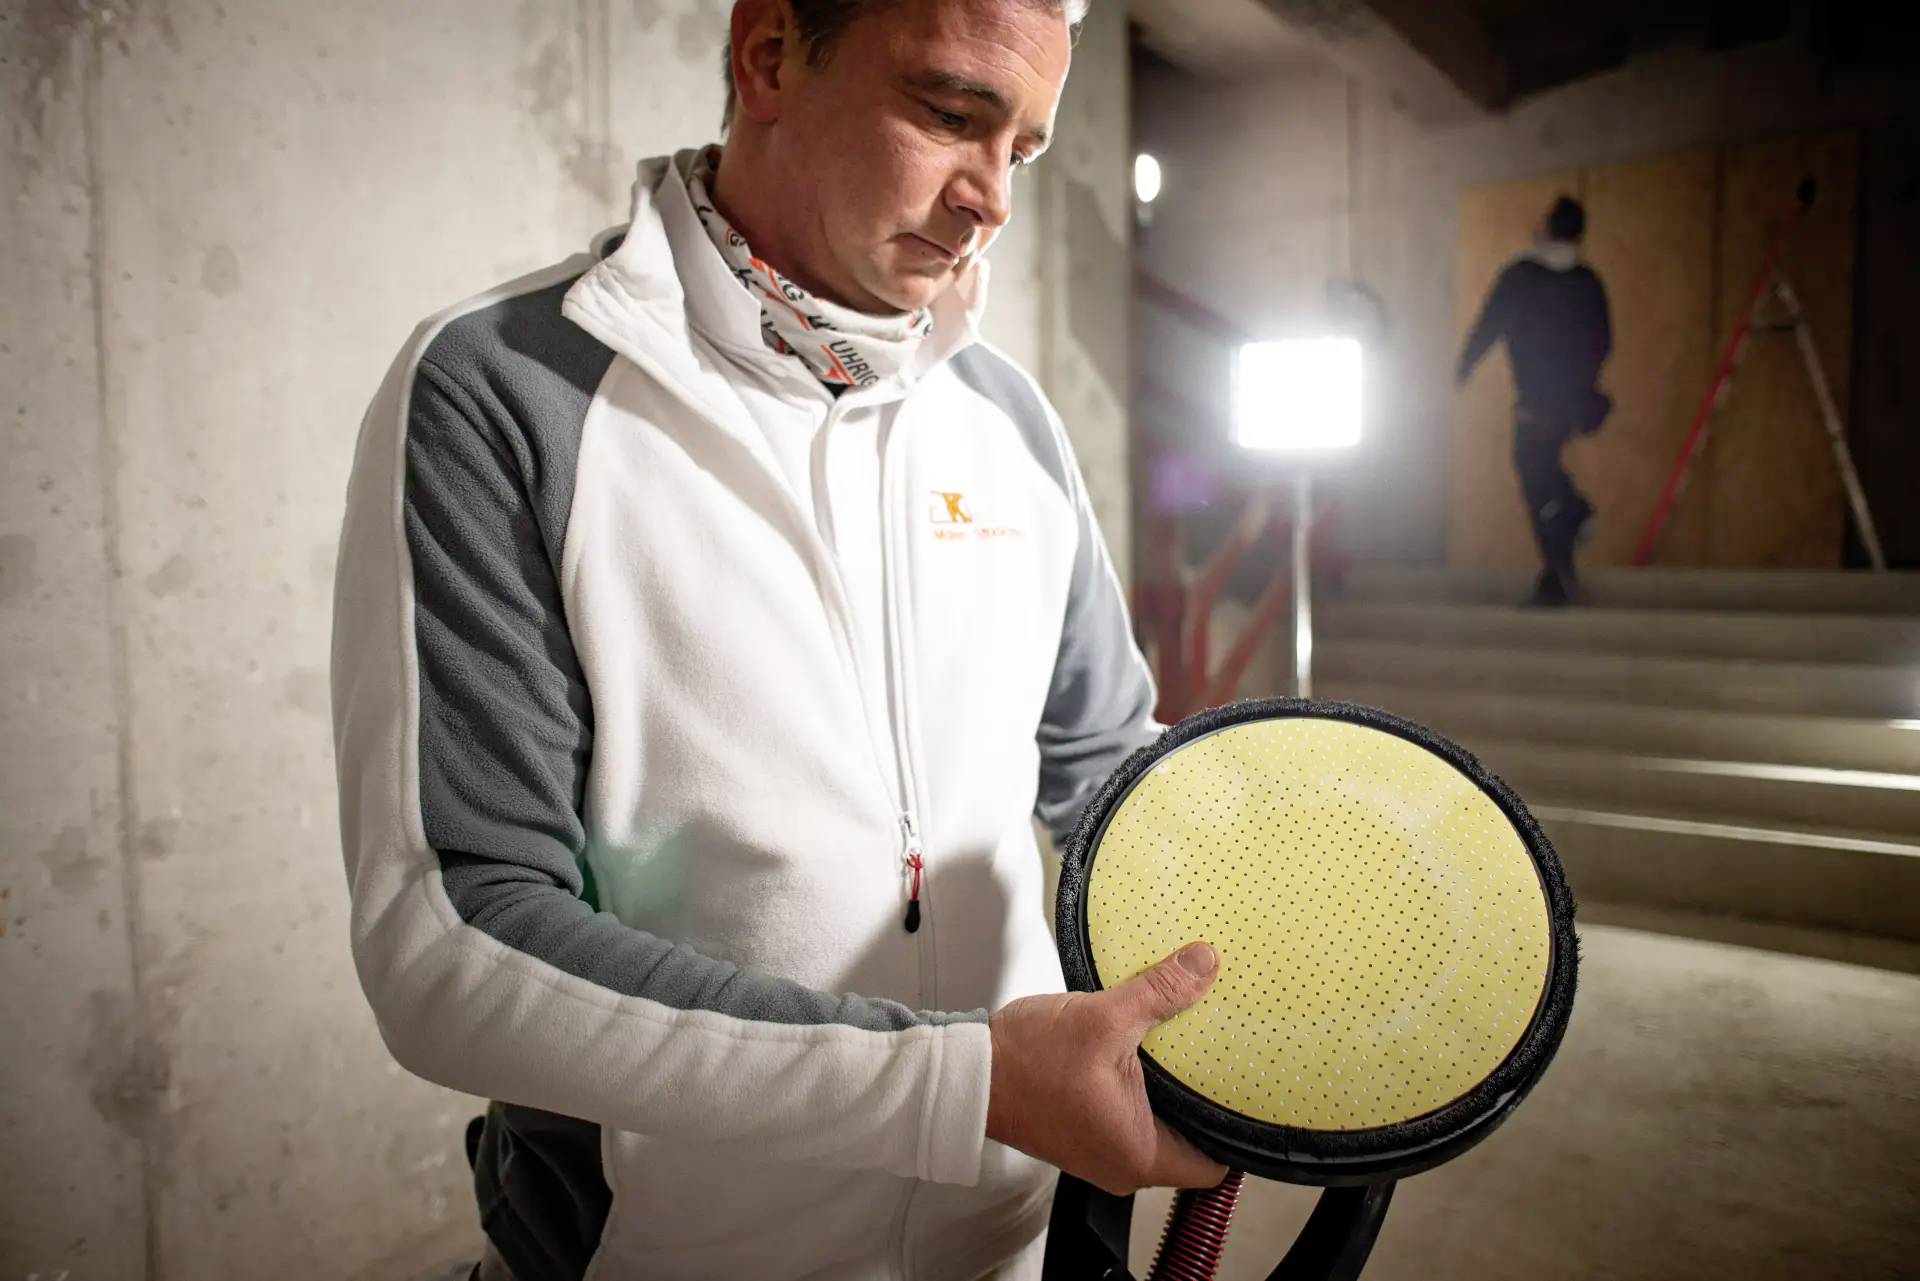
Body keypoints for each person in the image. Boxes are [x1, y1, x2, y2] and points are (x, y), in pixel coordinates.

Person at [329, 2, 1227, 1279]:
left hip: (1012, 1250)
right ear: (768, 58)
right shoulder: (509, 390)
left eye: (1021, 148)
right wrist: (955, 1086)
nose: (991, 204)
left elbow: (1109, 781)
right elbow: (454, 943)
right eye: (953, 114)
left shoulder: (1006, 417)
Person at [1456, 194, 1613, 605]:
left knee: (1535, 476)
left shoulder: (1522, 275)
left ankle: (1561, 567)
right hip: (1571, 404)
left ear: (1547, 227)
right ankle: (1571, 528)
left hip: (1537, 400)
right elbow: (1603, 341)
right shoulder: (1587, 281)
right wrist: (1583, 386)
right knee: (1542, 471)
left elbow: (1489, 323)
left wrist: (1465, 366)